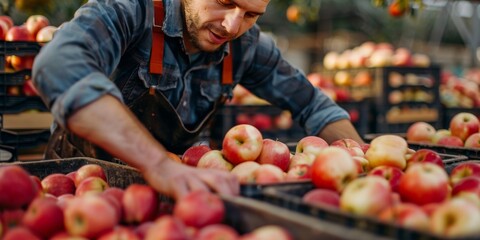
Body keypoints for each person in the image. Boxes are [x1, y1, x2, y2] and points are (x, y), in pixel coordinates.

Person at [32, 0, 363, 200]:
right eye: (224, 1)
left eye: (251, 14)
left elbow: (314, 105)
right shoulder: (131, 10)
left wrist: (364, 160)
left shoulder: (245, 46)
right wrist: (158, 164)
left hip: (171, 202)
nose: (233, 25)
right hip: (77, 191)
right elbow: (57, 65)